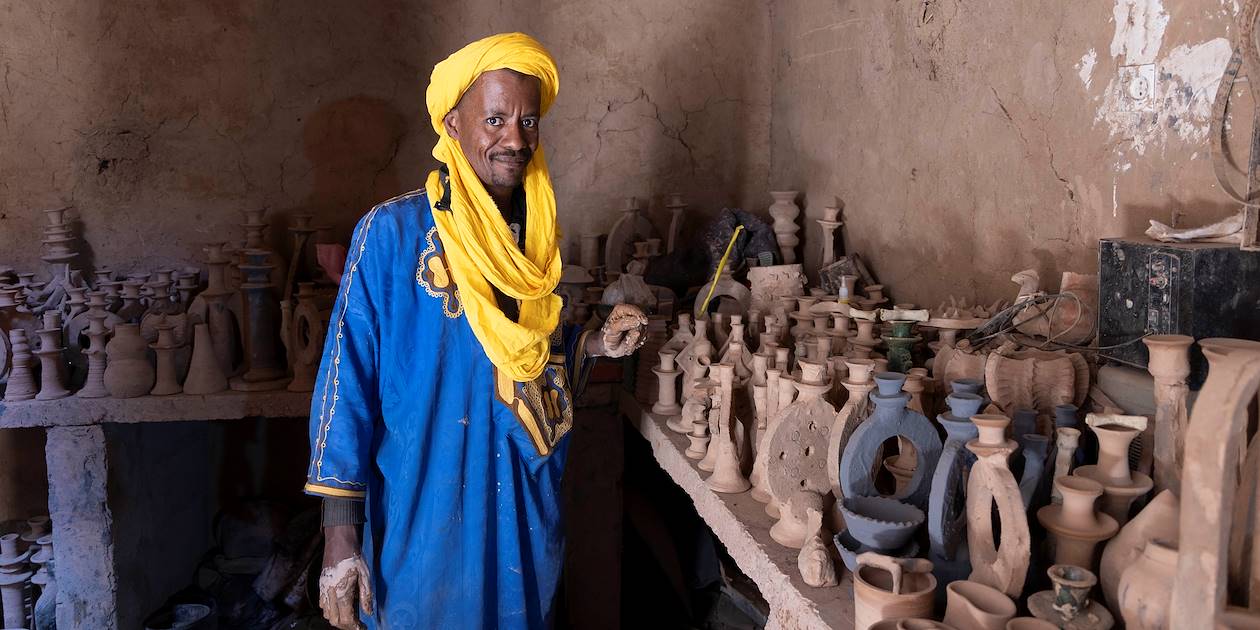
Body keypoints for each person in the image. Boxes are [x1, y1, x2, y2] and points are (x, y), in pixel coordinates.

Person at [304, 32, 648, 629]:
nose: (515, 139)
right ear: (453, 125)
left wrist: (591, 341)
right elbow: (346, 386)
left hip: (517, 503)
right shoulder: (391, 235)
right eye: (494, 119)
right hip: (425, 507)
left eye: (528, 122)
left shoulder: (534, 242)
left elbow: (526, 361)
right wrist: (340, 539)